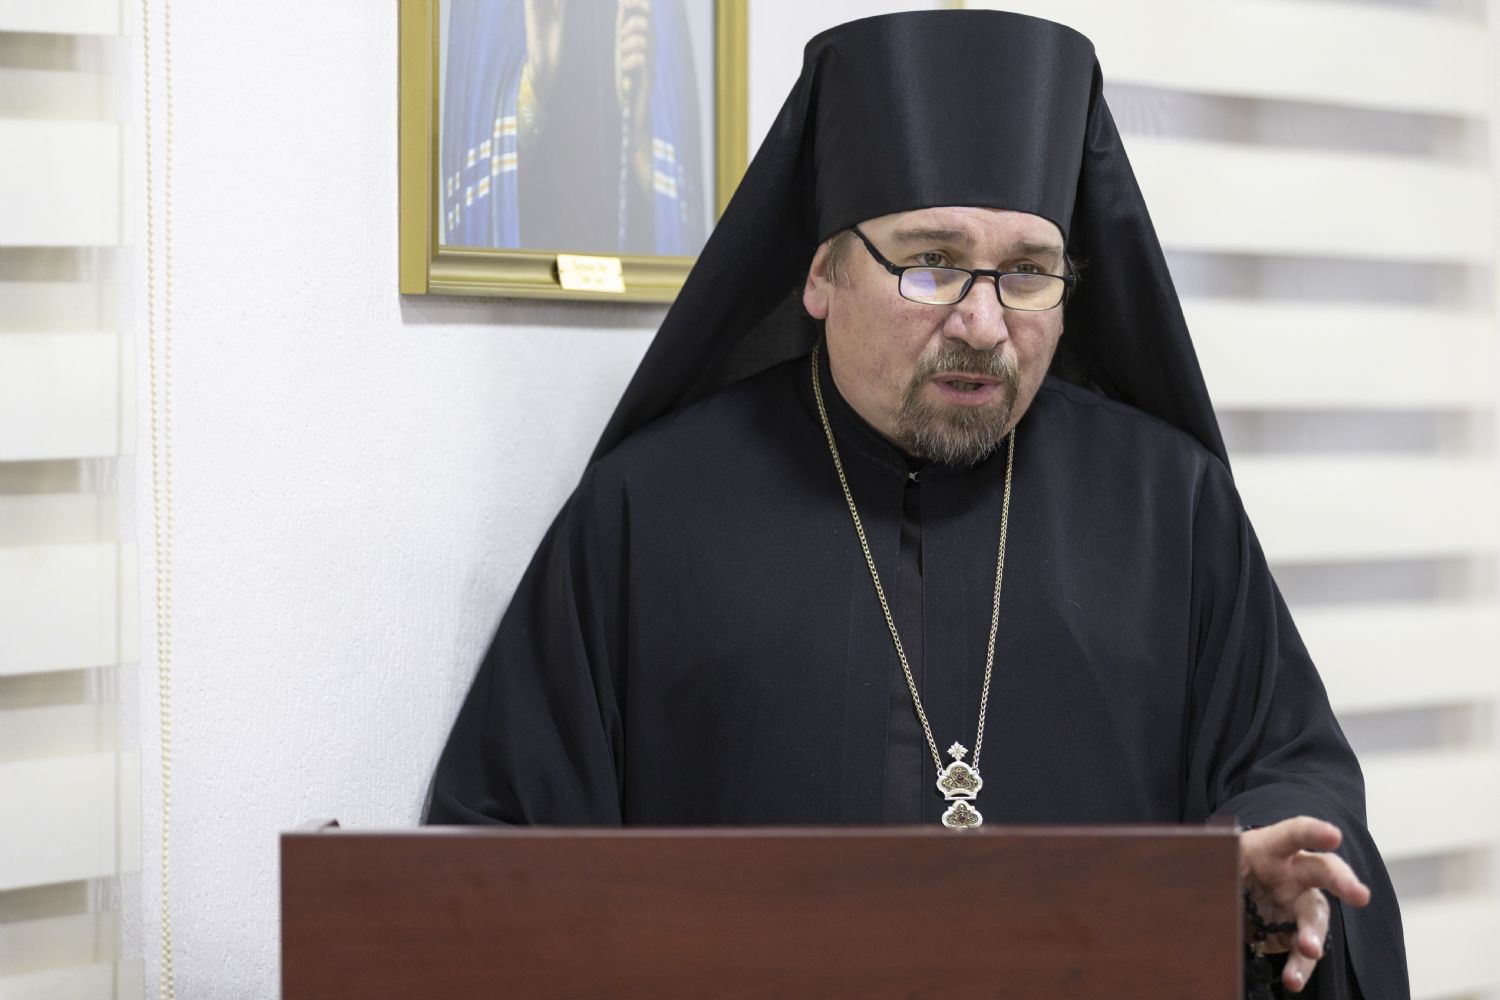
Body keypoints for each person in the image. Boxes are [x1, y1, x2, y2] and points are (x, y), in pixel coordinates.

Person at [428, 10, 1408, 997]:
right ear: (822, 272)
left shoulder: (1168, 504)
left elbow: (1291, 771)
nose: (982, 322)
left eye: (1027, 272)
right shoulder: (652, 510)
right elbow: (499, 857)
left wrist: (1255, 870)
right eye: (931, 262)